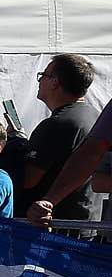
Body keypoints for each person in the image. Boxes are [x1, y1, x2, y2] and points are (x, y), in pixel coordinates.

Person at [6, 55, 95, 226]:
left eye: (43, 75)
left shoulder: (57, 124)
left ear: (55, 82)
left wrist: (13, 144)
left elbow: (28, 179)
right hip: (85, 222)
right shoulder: (94, 116)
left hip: (53, 228)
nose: (39, 81)